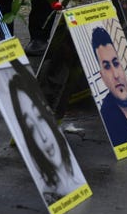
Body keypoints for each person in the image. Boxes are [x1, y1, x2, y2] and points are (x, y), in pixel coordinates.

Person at [8, 63, 84, 204]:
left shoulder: (76, 181)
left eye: (40, 117)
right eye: (31, 127)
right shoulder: (52, 193)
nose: (43, 137)